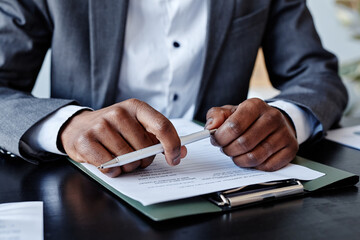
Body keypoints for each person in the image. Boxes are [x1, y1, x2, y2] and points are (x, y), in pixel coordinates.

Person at [0, 0, 347, 177]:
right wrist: (67, 126)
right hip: (83, 191)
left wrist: (286, 118)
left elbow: (317, 72)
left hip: (226, 186)